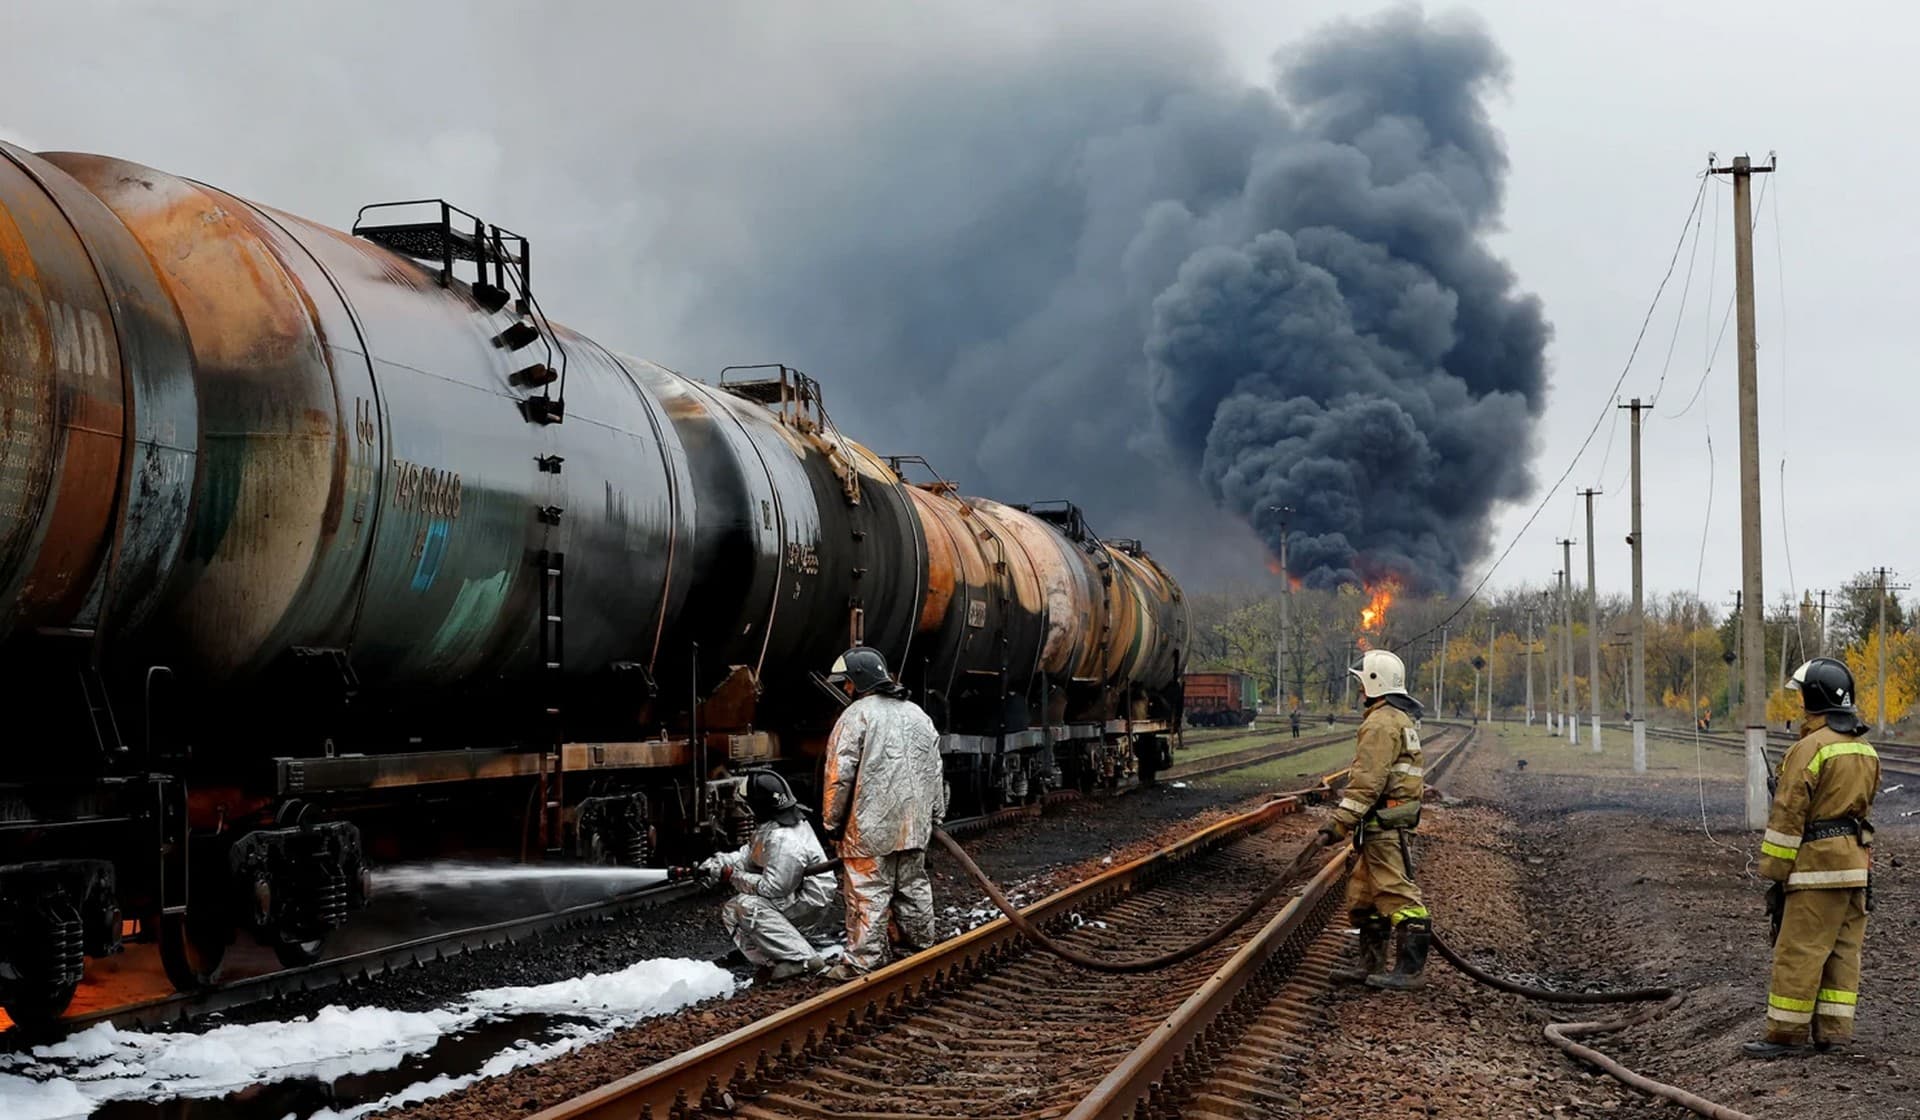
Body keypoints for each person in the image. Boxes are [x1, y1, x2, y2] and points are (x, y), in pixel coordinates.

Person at [1743, 657, 1880, 1058]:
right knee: (1842, 951)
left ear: (1813, 699)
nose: (1800, 702)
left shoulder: (1807, 749)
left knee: (1799, 951)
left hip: (1815, 868)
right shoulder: (1866, 749)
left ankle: (1784, 1036)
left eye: (1802, 696)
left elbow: (1788, 815)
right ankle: (1834, 1034)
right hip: (1856, 866)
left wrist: (1775, 870)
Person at [820, 645, 946, 979]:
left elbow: (839, 776)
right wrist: (935, 816)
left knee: (868, 893)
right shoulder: (919, 715)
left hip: (868, 829)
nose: (846, 689)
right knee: (913, 886)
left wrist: (832, 823)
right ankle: (921, 945)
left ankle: (864, 960)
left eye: (847, 682)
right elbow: (935, 770)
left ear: (860, 681)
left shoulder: (855, 717)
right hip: (914, 827)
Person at [1317, 649, 1431, 991]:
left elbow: (1368, 782)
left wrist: (1339, 822)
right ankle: (1370, 963)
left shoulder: (1380, 723)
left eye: (1361, 682)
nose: (1358, 689)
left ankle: (1409, 972)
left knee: (1396, 894)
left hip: (1384, 824)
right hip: (1382, 823)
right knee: (1364, 898)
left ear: (1373, 682)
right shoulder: (1397, 718)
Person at [694, 769, 836, 983]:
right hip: (795, 892)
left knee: (747, 906)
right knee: (732, 911)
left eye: (747, 804)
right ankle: (776, 962)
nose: (745, 808)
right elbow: (750, 856)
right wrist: (717, 864)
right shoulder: (772, 827)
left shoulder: (783, 840)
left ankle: (804, 959)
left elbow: (774, 889)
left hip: (807, 900)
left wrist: (733, 876)